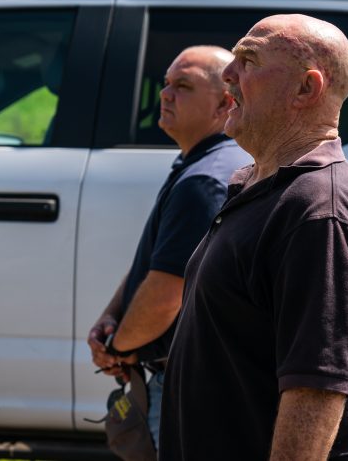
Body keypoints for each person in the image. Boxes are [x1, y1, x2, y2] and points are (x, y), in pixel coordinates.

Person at [160, 14, 348, 461]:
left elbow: (315, 390)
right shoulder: (261, 186)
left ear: (307, 89)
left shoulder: (321, 210)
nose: (228, 75)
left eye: (248, 60)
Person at [87, 45, 249, 451]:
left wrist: (118, 349)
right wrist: (113, 318)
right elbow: (162, 262)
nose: (165, 94)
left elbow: (167, 293)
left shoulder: (203, 181)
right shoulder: (209, 164)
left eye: (183, 85)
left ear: (224, 104)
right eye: (166, 84)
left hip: (182, 386)